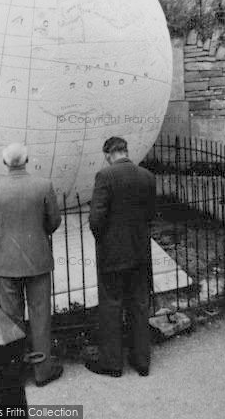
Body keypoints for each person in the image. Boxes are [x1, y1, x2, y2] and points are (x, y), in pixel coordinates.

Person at [0, 142, 63, 387]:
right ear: (27, 160)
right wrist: (38, 233)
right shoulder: (43, 185)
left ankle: (15, 369)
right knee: (40, 316)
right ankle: (42, 370)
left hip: (5, 262)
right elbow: (54, 221)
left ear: (5, 163)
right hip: (37, 259)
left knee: (11, 318)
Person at [86, 136, 156, 378]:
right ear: (126, 151)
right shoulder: (147, 176)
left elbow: (96, 219)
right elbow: (150, 215)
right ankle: (142, 362)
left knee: (111, 305)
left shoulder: (105, 177)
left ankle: (112, 364)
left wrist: (105, 240)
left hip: (113, 255)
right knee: (139, 304)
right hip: (140, 253)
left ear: (108, 154)